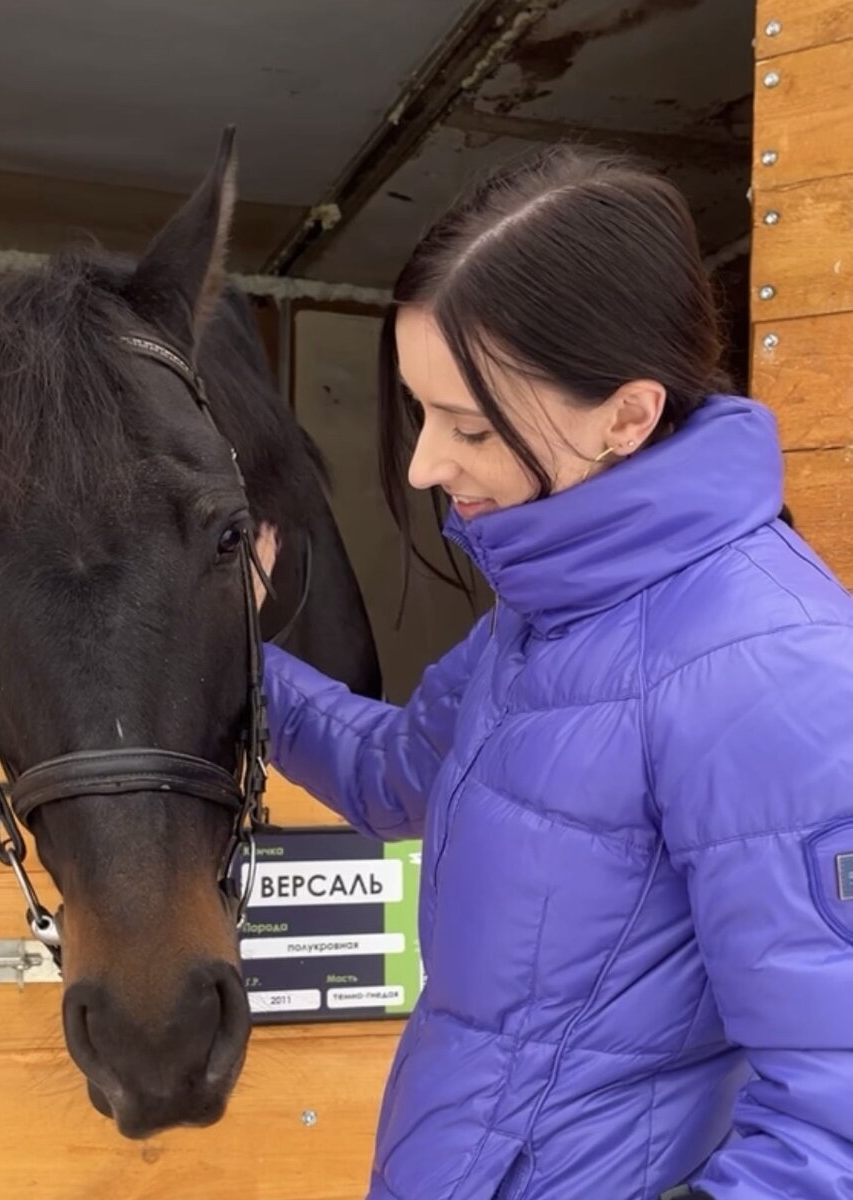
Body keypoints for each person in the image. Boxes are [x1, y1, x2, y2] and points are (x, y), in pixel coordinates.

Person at [251, 146, 853, 1200]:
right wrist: (229, 654)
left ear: (624, 416)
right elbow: (397, 771)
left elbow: (832, 1128)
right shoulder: (540, 618)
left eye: (469, 424)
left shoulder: (768, 668)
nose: (421, 465)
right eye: (420, 409)